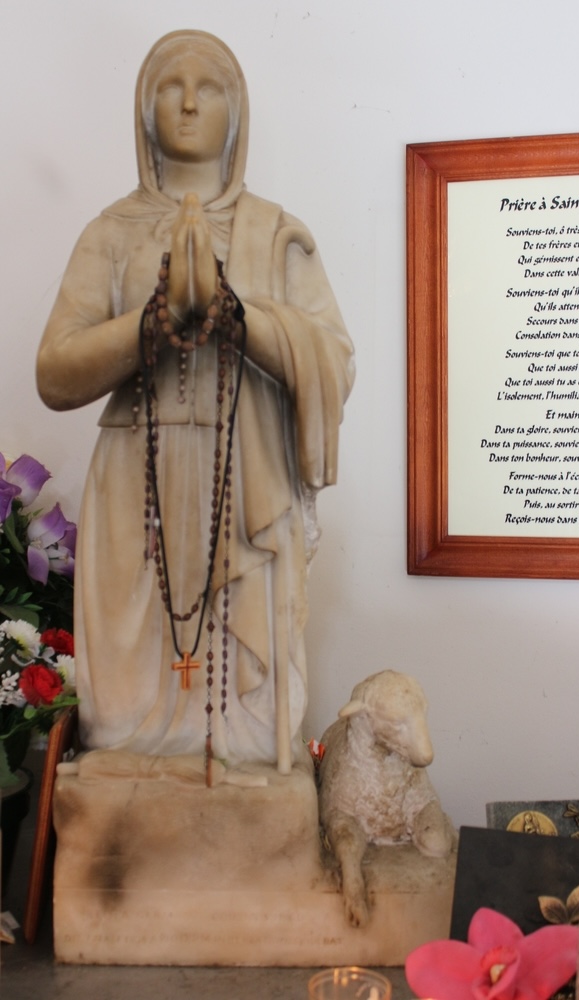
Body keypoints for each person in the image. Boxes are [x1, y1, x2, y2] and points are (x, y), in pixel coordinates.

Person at [36, 30, 354, 773]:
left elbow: (333, 358)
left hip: (244, 488)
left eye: (206, 87)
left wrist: (235, 314)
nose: (185, 101)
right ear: (143, 112)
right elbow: (56, 372)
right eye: (168, 87)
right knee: (119, 732)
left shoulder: (276, 235)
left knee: (244, 742)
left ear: (236, 114)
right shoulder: (110, 233)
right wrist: (152, 322)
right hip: (136, 490)